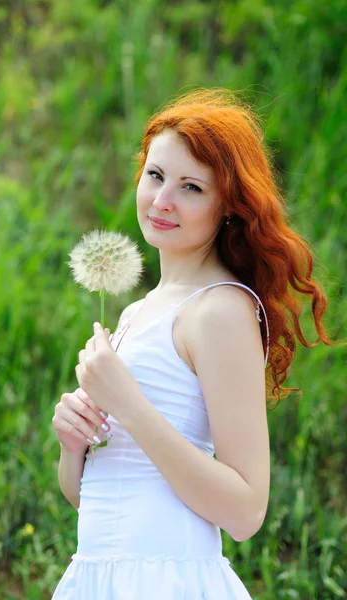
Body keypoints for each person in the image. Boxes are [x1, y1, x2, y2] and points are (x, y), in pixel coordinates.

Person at [51, 89, 335, 599]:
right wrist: (74, 447)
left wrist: (130, 406)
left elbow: (246, 512)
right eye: (156, 175)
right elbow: (94, 502)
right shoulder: (138, 312)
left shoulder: (220, 310)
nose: (162, 201)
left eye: (191, 188)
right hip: (99, 580)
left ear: (228, 206)